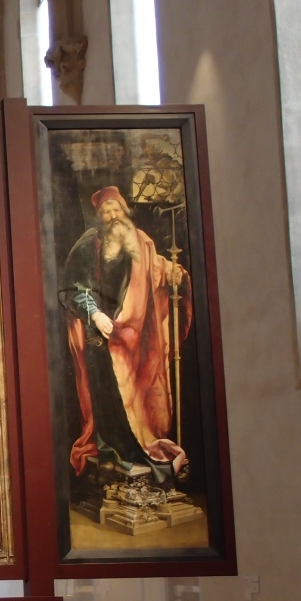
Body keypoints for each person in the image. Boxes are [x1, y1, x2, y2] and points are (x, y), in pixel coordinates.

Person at [59, 186, 191, 483]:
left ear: (125, 211)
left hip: (134, 337)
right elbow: (72, 289)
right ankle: (116, 453)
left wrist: (175, 274)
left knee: (139, 396)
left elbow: (156, 269)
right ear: (99, 217)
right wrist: (94, 313)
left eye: (116, 209)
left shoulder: (140, 241)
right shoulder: (87, 247)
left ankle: (140, 449)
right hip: (100, 334)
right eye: (106, 212)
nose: (113, 216)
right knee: (109, 396)